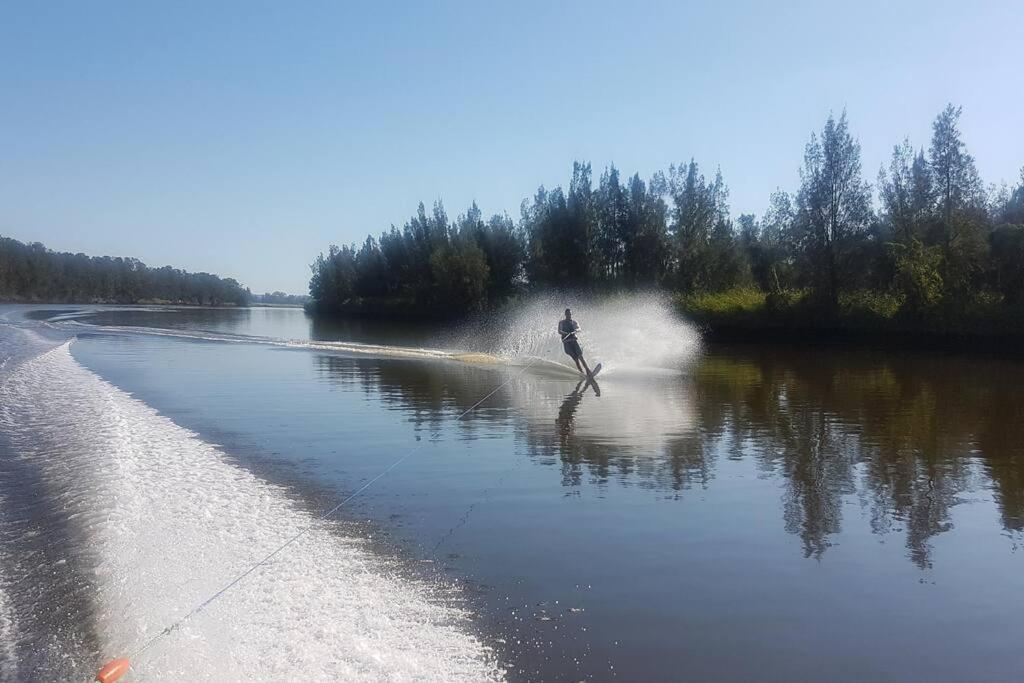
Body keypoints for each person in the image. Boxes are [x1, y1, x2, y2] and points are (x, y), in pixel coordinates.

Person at [558, 308, 592, 376]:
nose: (569, 315)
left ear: (571, 314)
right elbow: (559, 331)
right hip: (567, 343)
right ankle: (582, 373)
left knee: (580, 357)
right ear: (565, 314)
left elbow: (579, 328)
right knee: (576, 360)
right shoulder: (561, 322)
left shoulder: (574, 322)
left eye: (570, 314)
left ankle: (588, 371)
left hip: (574, 342)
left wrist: (575, 331)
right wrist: (566, 333)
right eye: (567, 314)